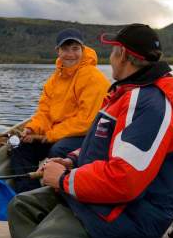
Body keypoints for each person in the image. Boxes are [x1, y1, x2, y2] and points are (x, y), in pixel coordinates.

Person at [8, 23, 173, 238]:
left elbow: (123, 180)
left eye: (112, 51)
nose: (109, 57)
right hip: (109, 198)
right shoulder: (126, 93)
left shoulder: (149, 104)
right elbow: (98, 145)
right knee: (21, 206)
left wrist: (62, 180)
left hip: (133, 214)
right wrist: (70, 161)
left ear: (122, 55)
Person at [10, 28, 110, 193]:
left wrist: (48, 136)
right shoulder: (54, 80)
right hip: (59, 133)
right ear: (58, 51)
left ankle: (61, 194)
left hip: (88, 136)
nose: (70, 54)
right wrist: (32, 129)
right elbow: (44, 113)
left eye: (75, 49)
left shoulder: (93, 78)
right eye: (65, 49)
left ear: (83, 50)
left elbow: (86, 122)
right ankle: (28, 195)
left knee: (58, 150)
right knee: (21, 147)